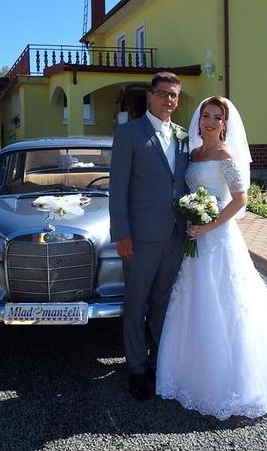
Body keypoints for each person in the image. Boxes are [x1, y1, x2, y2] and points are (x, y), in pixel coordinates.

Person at [156, 96, 267, 420]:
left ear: (225, 124)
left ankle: (235, 377)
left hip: (218, 236)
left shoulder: (226, 155)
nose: (210, 121)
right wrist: (193, 218)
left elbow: (240, 199)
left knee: (226, 300)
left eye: (217, 117)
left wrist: (209, 225)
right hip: (196, 235)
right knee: (195, 298)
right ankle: (190, 368)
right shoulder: (194, 154)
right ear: (199, 121)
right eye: (206, 115)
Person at [109, 72, 190, 401]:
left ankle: (159, 363)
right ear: (150, 96)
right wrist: (121, 233)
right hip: (140, 237)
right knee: (136, 302)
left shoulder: (183, 136)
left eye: (174, 95)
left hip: (176, 234)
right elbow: (118, 188)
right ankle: (136, 368)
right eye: (163, 93)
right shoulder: (129, 133)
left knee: (163, 302)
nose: (169, 100)